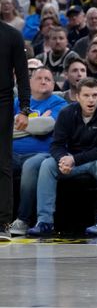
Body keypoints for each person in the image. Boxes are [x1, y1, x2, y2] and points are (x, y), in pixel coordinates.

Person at [27, 78, 97, 237]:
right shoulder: (66, 113)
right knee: (48, 165)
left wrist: (74, 160)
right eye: (86, 95)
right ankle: (45, 222)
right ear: (77, 97)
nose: (91, 100)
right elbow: (56, 145)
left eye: (95, 95)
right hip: (78, 159)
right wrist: (63, 159)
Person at [8, 67, 68, 236]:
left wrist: (19, 124)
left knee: (30, 166)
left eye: (48, 79)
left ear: (53, 83)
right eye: (39, 78)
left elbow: (47, 126)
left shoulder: (59, 103)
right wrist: (35, 125)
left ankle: (23, 219)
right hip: (11, 154)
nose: (43, 82)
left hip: (41, 155)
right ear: (29, 82)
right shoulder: (18, 102)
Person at [0, 21, 31, 241]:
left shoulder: (12, 34)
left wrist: (25, 109)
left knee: (2, 162)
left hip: (2, 101)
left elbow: (22, 74)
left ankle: (2, 223)